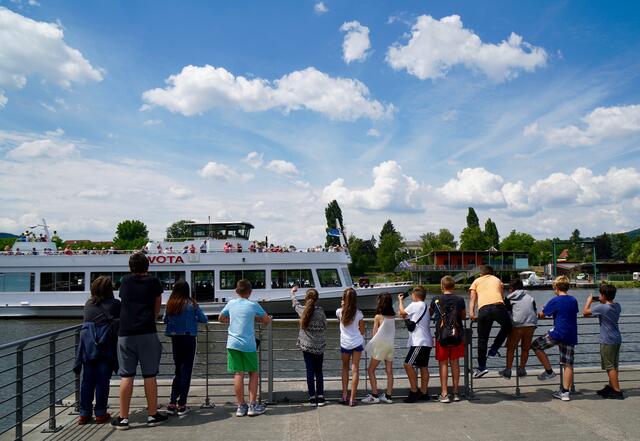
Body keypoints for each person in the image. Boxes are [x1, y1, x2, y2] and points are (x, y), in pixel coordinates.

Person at [111, 253, 167, 430]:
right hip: (147, 331)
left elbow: (124, 300)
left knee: (126, 375)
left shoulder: (125, 281)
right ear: (147, 266)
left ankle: (123, 418)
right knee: (150, 375)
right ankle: (152, 415)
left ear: (130, 267)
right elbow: (157, 304)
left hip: (125, 333)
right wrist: (152, 318)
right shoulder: (154, 282)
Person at [219, 279, 272, 417]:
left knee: (238, 374)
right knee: (253, 373)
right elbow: (266, 320)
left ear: (236, 291)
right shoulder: (253, 305)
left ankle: (241, 406)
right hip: (248, 344)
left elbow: (221, 318)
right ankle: (253, 405)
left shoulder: (231, 303)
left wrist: (233, 320)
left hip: (232, 343)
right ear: (250, 292)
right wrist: (254, 319)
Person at [74, 276, 120, 425]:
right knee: (102, 381)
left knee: (87, 381)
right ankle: (100, 413)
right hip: (106, 346)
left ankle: (84, 414)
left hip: (88, 348)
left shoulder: (88, 304)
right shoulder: (115, 304)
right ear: (109, 290)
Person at [163, 280, 209, 416]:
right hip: (189, 338)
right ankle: (182, 404)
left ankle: (172, 402)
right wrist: (193, 318)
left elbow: (165, 319)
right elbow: (204, 319)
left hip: (175, 338)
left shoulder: (171, 304)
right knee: (186, 371)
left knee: (178, 370)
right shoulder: (192, 304)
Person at [532, 275, 579, 401]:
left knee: (536, 345)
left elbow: (542, 315)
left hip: (558, 333)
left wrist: (543, 310)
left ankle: (549, 371)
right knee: (568, 364)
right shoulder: (573, 300)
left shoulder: (555, 300)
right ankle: (565, 393)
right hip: (571, 334)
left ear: (556, 287)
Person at [469, 265, 511, 378]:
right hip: (498, 307)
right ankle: (494, 349)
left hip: (484, 310)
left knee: (482, 340)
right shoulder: (497, 280)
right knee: (508, 326)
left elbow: (473, 298)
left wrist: (472, 313)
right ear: (492, 273)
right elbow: (502, 296)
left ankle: (482, 367)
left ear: (481, 273)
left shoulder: (476, 281)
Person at [583, 284, 624, 399]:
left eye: (600, 294)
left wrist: (589, 301)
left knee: (609, 366)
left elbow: (585, 313)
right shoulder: (617, 306)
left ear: (604, 296)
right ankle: (611, 387)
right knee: (614, 365)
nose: (599, 296)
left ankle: (617, 391)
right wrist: (602, 301)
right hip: (616, 338)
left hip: (607, 340)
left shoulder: (602, 308)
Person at [430, 276, 466, 403]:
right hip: (457, 335)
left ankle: (444, 393)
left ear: (442, 286)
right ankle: (456, 392)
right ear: (453, 286)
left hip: (442, 335)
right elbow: (463, 316)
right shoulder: (460, 299)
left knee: (443, 363)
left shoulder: (436, 299)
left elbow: (430, 314)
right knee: (455, 363)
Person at [291, 286, 327, 406]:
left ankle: (312, 397)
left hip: (306, 346)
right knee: (319, 371)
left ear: (306, 298)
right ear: (317, 299)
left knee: (309, 371)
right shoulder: (320, 311)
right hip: (319, 346)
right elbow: (325, 325)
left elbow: (295, 304)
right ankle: (320, 396)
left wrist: (292, 293)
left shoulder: (302, 310)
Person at [398, 285, 433, 403]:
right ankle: (424, 392)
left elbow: (402, 313)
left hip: (419, 341)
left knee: (408, 365)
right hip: (427, 340)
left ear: (415, 295)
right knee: (423, 366)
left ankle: (414, 391)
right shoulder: (425, 306)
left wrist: (400, 301)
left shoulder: (415, 305)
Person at [499, 277, 538, 379]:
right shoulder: (530, 297)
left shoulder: (509, 298)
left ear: (511, 288)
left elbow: (506, 313)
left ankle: (508, 370)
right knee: (525, 348)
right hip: (531, 324)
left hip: (517, 325)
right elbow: (535, 311)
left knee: (511, 348)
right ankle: (522, 369)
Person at [362, 293, 395, 404]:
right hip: (391, 345)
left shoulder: (378, 317)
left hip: (381, 345)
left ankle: (375, 395)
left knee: (370, 370)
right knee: (389, 371)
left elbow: (374, 333)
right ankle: (388, 396)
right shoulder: (393, 316)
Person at [336, 288, 365, 407]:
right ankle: (352, 399)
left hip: (345, 344)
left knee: (345, 368)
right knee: (355, 370)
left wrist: (343, 305)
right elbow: (362, 330)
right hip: (357, 343)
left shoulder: (339, 312)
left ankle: (344, 396)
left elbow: (342, 316)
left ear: (344, 299)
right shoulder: (359, 314)